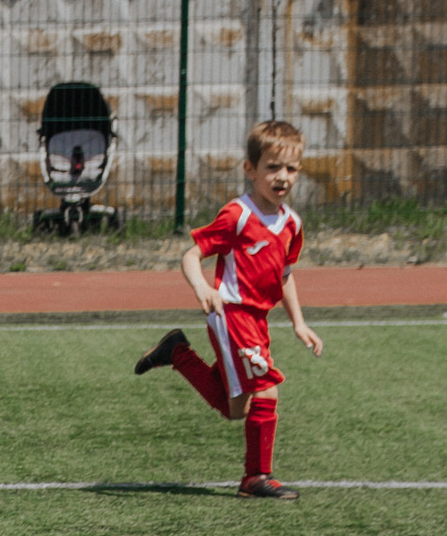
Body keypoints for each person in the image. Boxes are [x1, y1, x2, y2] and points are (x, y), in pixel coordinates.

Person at [132, 120, 323, 500]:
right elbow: (191, 255)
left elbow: (284, 274)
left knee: (236, 408)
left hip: (257, 322)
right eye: (272, 167)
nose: (282, 177)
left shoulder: (292, 223)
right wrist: (202, 286)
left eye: (290, 169)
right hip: (231, 316)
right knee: (266, 389)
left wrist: (299, 323)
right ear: (250, 170)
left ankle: (178, 353)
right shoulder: (238, 215)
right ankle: (255, 478)